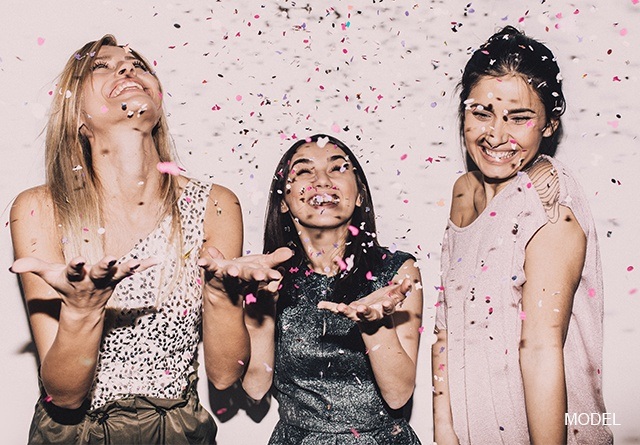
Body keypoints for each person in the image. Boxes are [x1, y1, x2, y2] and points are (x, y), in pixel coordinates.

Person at [10, 35, 253, 444]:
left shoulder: (216, 204)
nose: (127, 69)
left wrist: (221, 294)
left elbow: (227, 375)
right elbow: (65, 396)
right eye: (101, 66)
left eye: (136, 63)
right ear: (76, 118)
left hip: (178, 432)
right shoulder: (40, 208)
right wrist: (82, 311)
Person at [432, 26, 613, 445]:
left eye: (519, 118)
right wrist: (446, 433)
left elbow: (540, 351)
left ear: (549, 124)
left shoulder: (551, 205)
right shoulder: (463, 191)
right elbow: (446, 329)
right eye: (481, 113)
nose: (496, 135)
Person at [223, 133, 423, 444]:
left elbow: (398, 396)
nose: (322, 180)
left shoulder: (396, 272)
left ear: (359, 195)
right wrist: (259, 313)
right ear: (284, 202)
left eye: (337, 168)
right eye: (303, 171)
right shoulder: (267, 276)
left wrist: (374, 325)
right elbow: (255, 388)